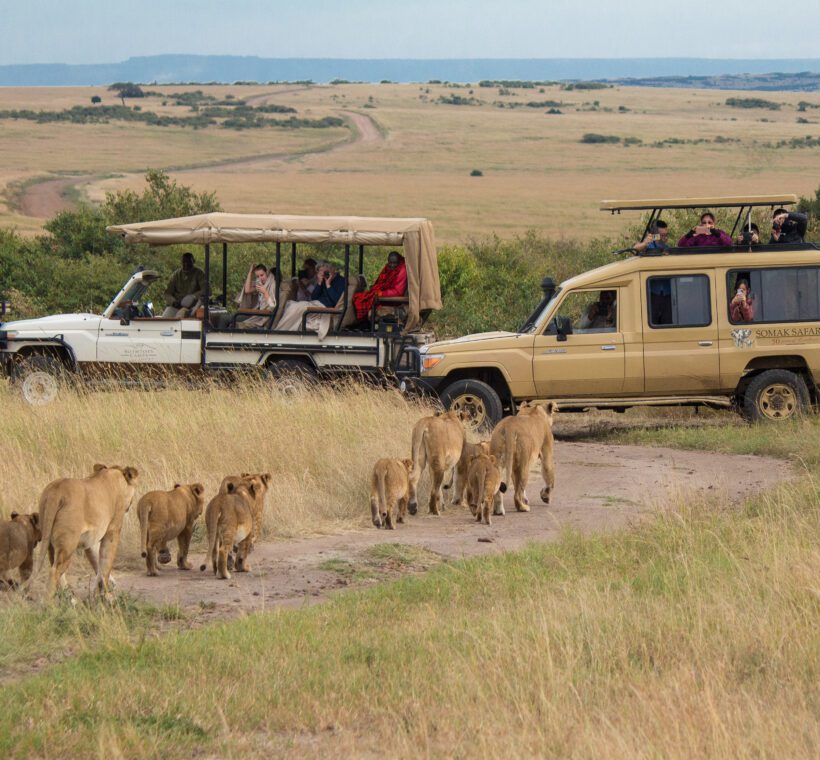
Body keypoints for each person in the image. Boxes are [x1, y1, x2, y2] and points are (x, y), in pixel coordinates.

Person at [275, 261, 346, 339]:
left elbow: (335, 300)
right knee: (290, 304)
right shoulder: (323, 280)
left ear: (332, 270)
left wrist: (328, 285)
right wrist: (319, 283)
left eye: (326, 272)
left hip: (325, 307)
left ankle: (279, 332)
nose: (324, 274)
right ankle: (283, 331)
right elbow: (314, 297)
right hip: (315, 304)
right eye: (321, 272)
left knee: (297, 307)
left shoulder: (341, 281)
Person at [351, 251, 408, 325]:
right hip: (386, 297)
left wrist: (382, 293)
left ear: (399, 261)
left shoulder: (402, 270)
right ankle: (360, 324)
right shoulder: (387, 267)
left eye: (394, 263)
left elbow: (398, 291)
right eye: (390, 263)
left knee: (368, 301)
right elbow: (380, 282)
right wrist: (376, 289)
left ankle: (365, 322)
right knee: (359, 298)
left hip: (394, 301)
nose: (392, 265)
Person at [217, 263, 277, 329]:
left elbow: (272, 306)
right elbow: (247, 290)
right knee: (224, 317)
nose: (260, 278)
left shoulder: (271, 286)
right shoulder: (261, 285)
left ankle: (219, 337)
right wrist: (250, 272)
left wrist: (265, 292)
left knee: (224, 318)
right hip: (254, 314)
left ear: (267, 274)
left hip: (259, 316)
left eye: (262, 275)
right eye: (257, 276)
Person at [162, 252, 206, 317]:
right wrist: (173, 302)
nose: (186, 264)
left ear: (193, 261)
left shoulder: (199, 273)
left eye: (189, 262)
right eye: (184, 262)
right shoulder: (176, 275)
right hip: (177, 306)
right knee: (165, 318)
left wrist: (193, 296)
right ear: (181, 262)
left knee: (182, 317)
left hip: (193, 307)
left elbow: (207, 290)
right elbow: (167, 293)